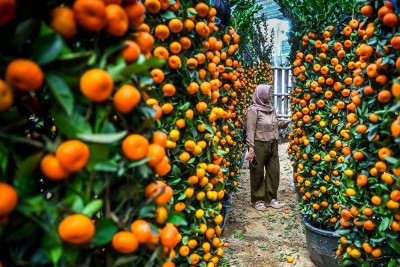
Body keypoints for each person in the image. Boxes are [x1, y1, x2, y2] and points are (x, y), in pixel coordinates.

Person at [245, 84, 290, 211]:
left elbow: (274, 124)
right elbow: (250, 131)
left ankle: (270, 198)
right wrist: (251, 149)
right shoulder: (253, 111)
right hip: (258, 145)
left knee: (274, 172)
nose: (270, 95)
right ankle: (257, 199)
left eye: (270, 93)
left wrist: (283, 124)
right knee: (257, 173)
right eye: (268, 93)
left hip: (273, 144)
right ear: (261, 95)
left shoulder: (271, 109)